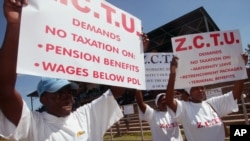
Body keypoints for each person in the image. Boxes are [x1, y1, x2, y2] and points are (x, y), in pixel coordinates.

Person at [0, 0, 149, 141]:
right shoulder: (34, 124)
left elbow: (117, 91)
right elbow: (5, 90)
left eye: (69, 92)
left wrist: (135, 55)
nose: (66, 97)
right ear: (43, 99)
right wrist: (14, 24)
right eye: (58, 93)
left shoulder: (85, 115)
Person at [165, 55, 249, 141]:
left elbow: (235, 95)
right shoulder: (185, 108)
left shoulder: (212, 104)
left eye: (202, 87)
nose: (200, 90)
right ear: (189, 93)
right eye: (195, 88)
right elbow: (169, 102)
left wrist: (241, 68)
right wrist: (172, 74)